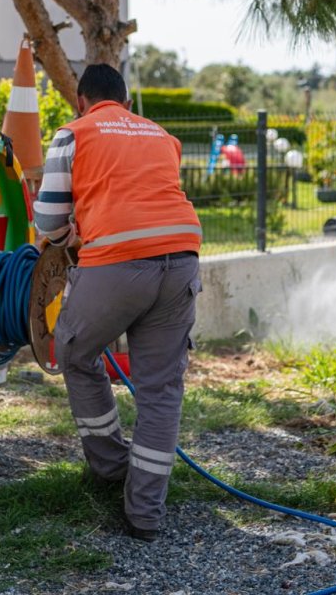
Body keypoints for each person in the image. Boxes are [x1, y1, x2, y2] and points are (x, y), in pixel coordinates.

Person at [33, 63, 202, 542]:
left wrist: (71, 237)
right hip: (183, 259)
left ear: (82, 101)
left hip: (117, 263)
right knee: (161, 388)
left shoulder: (74, 132)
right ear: (126, 104)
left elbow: (47, 222)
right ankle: (144, 515)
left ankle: (109, 466)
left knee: (74, 352)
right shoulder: (162, 135)